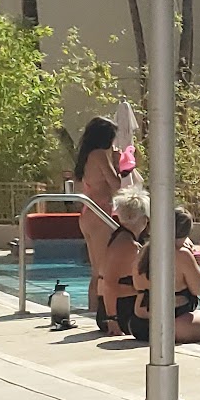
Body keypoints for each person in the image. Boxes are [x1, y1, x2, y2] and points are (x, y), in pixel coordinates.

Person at [132, 207, 200, 344]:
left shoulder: (144, 250)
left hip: (139, 324)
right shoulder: (182, 254)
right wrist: (192, 263)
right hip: (171, 325)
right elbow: (199, 289)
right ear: (187, 232)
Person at [72, 116, 124, 312]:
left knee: (96, 270)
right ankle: (101, 311)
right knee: (103, 270)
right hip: (99, 213)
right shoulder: (100, 155)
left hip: (90, 213)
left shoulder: (87, 155)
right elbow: (115, 184)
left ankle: (93, 310)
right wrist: (117, 164)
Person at [97, 187, 151, 337]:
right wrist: (112, 319)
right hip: (120, 312)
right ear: (143, 218)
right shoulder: (126, 245)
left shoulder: (122, 238)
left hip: (117, 309)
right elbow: (109, 283)